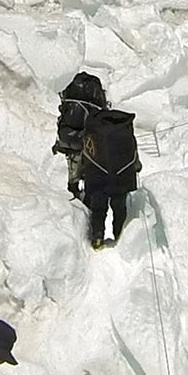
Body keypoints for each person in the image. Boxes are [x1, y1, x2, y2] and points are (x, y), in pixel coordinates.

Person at [79, 107, 141, 249]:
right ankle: (119, 235)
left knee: (98, 207)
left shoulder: (93, 127)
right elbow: (133, 153)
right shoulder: (124, 129)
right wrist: (136, 167)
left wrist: (82, 173)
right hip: (122, 175)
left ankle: (97, 237)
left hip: (97, 175)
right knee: (119, 207)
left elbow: (86, 154)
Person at [54, 72, 109, 196]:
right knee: (90, 164)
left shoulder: (71, 98)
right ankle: (88, 196)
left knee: (73, 159)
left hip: (69, 137)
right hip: (89, 140)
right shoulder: (96, 100)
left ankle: (73, 189)